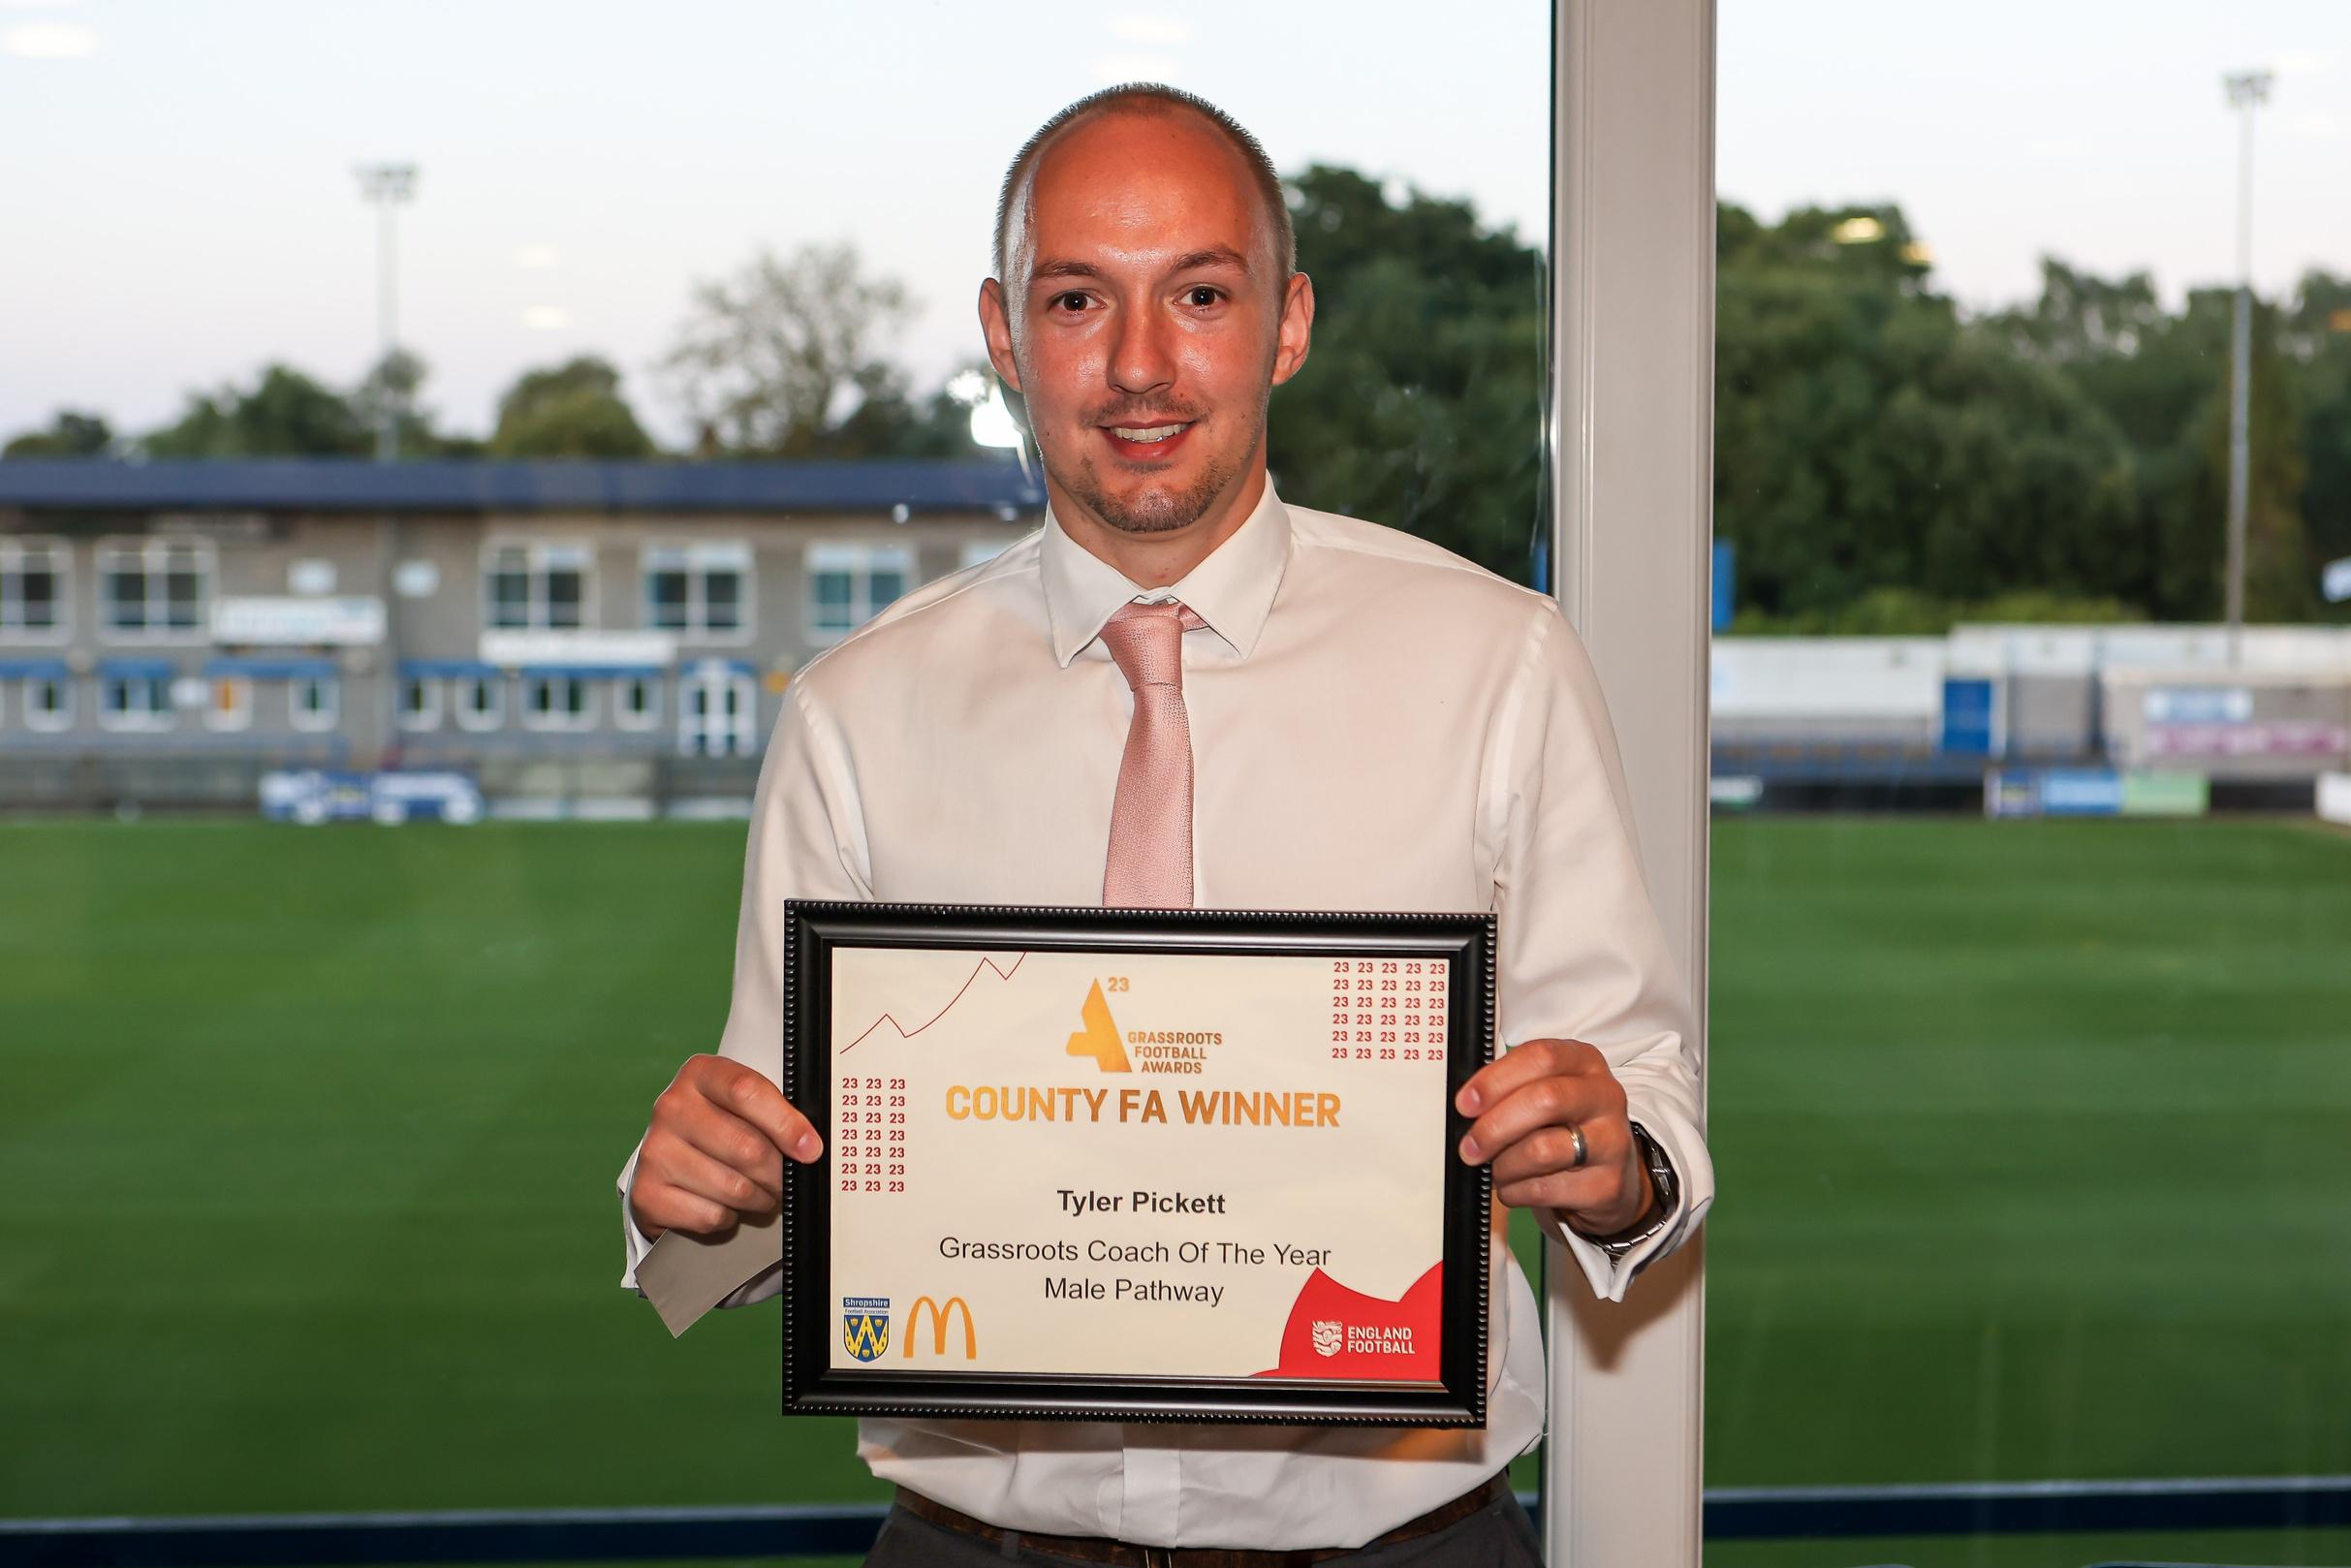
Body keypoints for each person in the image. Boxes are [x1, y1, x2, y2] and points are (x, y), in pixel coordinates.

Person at [618, 83, 1712, 1564]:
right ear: (1006, 334)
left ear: (1287, 323)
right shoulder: (857, 710)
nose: (1139, 364)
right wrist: (698, 1192)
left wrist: (1616, 1157)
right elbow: (786, 1169)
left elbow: (1640, 1095)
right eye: (1078, 300)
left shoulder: (1496, 661)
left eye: (1199, 293)